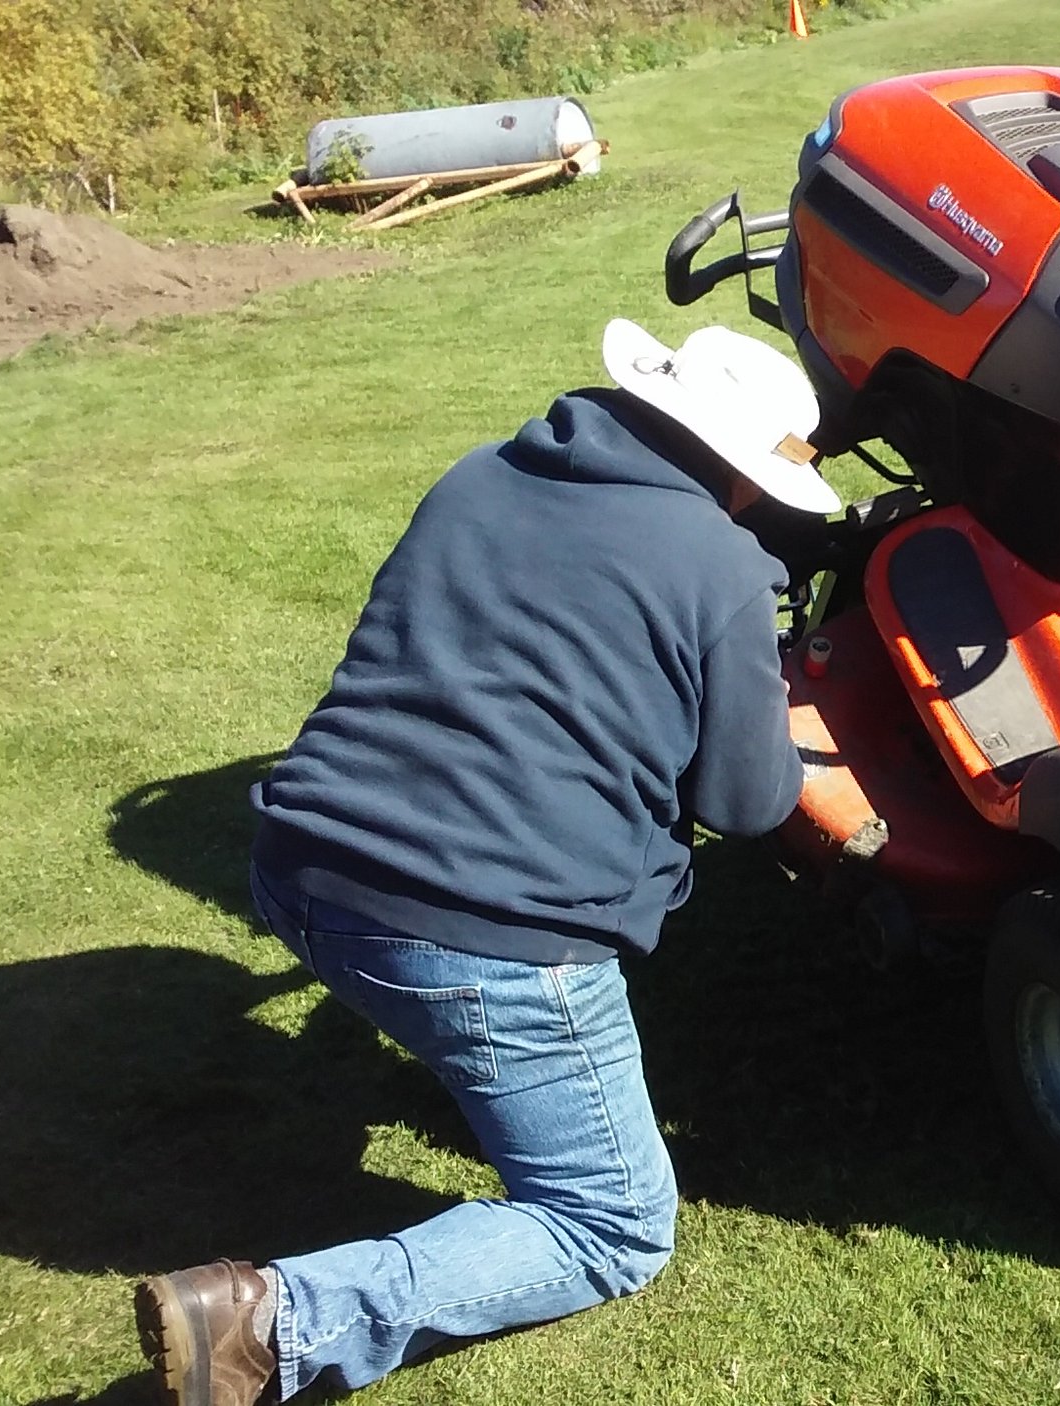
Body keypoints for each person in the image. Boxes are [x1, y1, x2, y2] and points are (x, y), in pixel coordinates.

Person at [132, 320, 842, 1406]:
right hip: (483, 936)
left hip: (301, 863)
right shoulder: (721, 562)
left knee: (432, 975)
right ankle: (273, 1323)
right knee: (611, 1223)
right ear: (741, 475)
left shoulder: (480, 473)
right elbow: (745, 800)